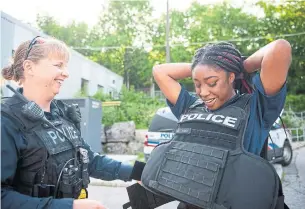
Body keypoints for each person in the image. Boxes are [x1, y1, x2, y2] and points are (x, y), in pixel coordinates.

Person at [132, 40, 291, 209]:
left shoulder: (257, 108)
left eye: (212, 82)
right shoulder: (189, 106)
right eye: (197, 83)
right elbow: (160, 71)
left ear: (231, 77)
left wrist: (239, 66)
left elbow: (280, 48)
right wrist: (202, 65)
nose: (203, 92)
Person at [1, 36, 144, 209]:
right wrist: (70, 206)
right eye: (58, 65)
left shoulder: (62, 113)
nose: (66, 73)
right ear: (29, 67)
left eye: (65, 66)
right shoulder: (7, 121)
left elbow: (88, 160)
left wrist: (138, 172)